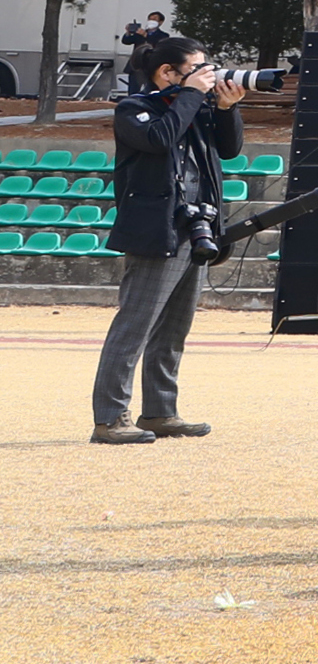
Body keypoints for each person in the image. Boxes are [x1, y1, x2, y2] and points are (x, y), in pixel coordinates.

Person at [96, 33, 240, 446]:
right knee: (134, 326)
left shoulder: (192, 109)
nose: (207, 79)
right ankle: (109, 418)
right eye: (198, 71)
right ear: (166, 73)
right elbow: (159, 139)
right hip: (156, 229)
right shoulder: (134, 109)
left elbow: (228, 150)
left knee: (174, 327)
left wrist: (227, 109)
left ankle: (160, 410)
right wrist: (191, 96)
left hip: (195, 227)